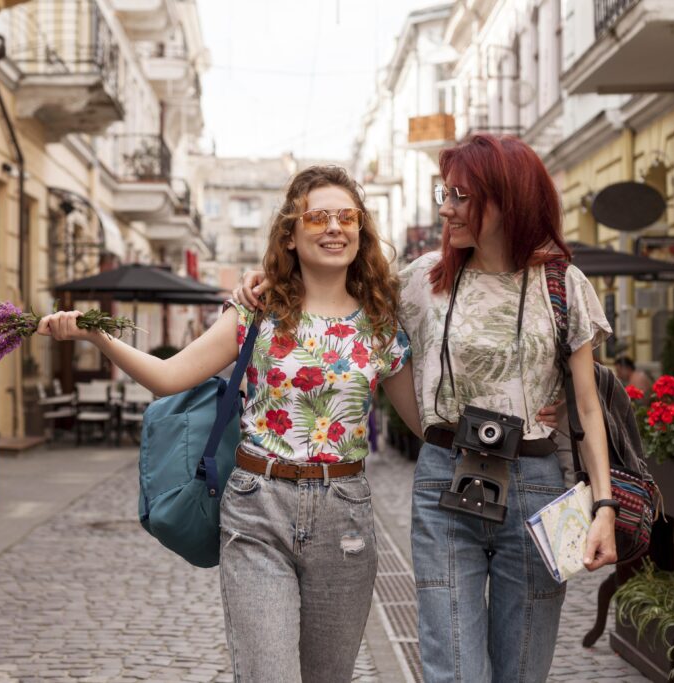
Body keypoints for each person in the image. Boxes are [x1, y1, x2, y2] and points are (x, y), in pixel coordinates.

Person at [237, 135, 618, 683]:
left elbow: (587, 405)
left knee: (522, 669)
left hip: (539, 487)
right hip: (447, 479)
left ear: (505, 198)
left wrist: (603, 505)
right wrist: (268, 281)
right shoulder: (421, 279)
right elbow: (338, 289)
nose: (446, 208)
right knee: (453, 669)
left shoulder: (562, 284)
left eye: (460, 196)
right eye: (446, 193)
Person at [40, 166, 422, 683]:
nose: (334, 227)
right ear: (291, 232)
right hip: (257, 504)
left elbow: (425, 424)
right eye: (318, 216)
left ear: (361, 230)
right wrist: (98, 337)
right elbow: (170, 376)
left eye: (346, 216)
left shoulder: (381, 325)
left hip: (345, 516)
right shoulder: (256, 313)